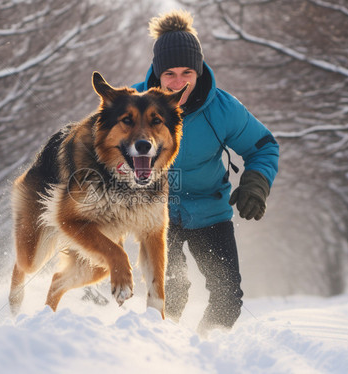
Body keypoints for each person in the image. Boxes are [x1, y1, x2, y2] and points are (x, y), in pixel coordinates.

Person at [131, 10, 279, 332]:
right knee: (170, 290)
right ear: (157, 73)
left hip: (210, 208)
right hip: (155, 212)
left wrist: (256, 183)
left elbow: (264, 146)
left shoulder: (223, 109)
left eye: (187, 72)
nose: (179, 82)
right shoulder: (130, 104)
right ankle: (161, 350)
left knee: (228, 298)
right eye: (169, 73)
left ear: (198, 71)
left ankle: (207, 349)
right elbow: (95, 148)